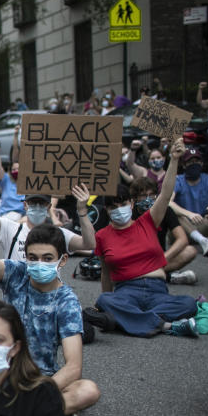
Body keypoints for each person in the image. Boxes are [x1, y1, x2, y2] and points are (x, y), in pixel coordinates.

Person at [0, 195, 100, 416]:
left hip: (39, 381)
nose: (38, 264)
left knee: (88, 390)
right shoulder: (16, 273)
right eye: (33, 258)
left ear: (62, 261)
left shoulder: (67, 301)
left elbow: (73, 367)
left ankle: (7, 414)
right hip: (0, 370)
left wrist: (35, 394)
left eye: (47, 259)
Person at [86, 142, 199, 338]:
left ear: (131, 203)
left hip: (158, 291)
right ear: (107, 210)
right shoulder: (102, 235)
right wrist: (107, 301)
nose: (119, 209)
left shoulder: (147, 221)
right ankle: (167, 326)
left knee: (189, 303)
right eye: (113, 207)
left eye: (123, 203)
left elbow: (164, 195)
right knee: (105, 300)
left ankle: (133, 320)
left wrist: (173, 160)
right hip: (126, 292)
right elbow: (105, 273)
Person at [130, 177, 198, 284]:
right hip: (136, 259)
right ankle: (168, 277)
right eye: (143, 195)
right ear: (135, 198)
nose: (148, 199)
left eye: (152, 194)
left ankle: (146, 275)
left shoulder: (165, 210)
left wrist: (163, 258)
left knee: (190, 251)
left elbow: (182, 239)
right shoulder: (129, 213)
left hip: (159, 259)